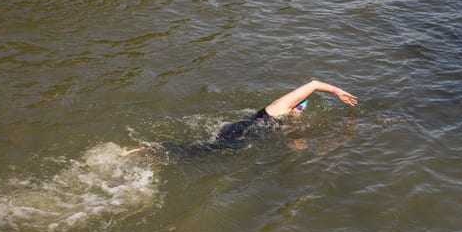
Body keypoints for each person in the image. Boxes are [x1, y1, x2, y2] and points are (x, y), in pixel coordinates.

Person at [121, 80, 357, 157]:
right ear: (294, 105)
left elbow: (296, 145)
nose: (300, 112)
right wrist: (339, 92)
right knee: (200, 153)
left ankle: (149, 150)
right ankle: (143, 150)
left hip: (240, 131)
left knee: (204, 150)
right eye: (301, 108)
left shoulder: (286, 117)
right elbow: (314, 84)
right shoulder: (278, 108)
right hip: (238, 134)